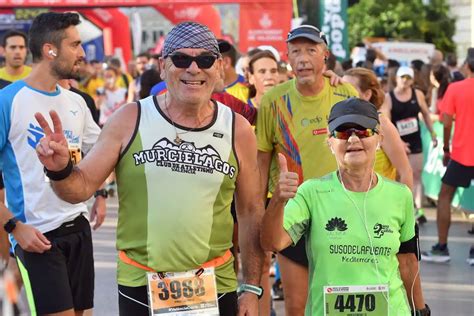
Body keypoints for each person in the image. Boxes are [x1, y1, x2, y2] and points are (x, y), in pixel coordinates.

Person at [34, 21, 265, 315]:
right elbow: (79, 188)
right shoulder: (129, 119)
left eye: (205, 60)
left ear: (218, 66)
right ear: (162, 66)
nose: (193, 69)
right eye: (181, 59)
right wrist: (60, 169)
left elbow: (250, 211)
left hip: (215, 284)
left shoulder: (238, 129)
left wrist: (252, 288)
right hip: (141, 284)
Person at [261, 97, 428, 316]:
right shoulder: (311, 193)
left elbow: (408, 262)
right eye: (342, 132)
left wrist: (421, 310)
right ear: (330, 143)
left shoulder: (400, 195)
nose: (352, 139)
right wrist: (277, 201)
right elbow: (272, 241)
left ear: (379, 139)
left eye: (362, 131)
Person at [0, 12, 104, 315]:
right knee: (10, 276)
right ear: (50, 50)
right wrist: (13, 226)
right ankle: (6, 306)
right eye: (75, 45)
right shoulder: (8, 101)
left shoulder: (76, 102)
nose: (83, 53)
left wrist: (100, 194)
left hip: (78, 229)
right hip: (34, 235)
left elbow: (99, 155)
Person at [256, 24, 359, 316]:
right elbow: (261, 160)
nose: (302, 59)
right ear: (287, 58)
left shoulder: (344, 92)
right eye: (296, 51)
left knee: (340, 301)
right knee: (296, 306)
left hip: (341, 211)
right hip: (294, 213)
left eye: (310, 50)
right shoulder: (274, 101)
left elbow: (363, 148)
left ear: (324, 55)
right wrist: (260, 211)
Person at [421, 52, 474, 265]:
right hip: (463, 153)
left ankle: (442, 247)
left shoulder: (455, 88)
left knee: (444, 197)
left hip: (461, 153)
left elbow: (447, 122)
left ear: (468, 65)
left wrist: (445, 148)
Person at [383, 66, 437, 222]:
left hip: (415, 141)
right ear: (397, 79)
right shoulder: (389, 97)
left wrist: (433, 133)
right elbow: (386, 122)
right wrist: (399, 142)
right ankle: (400, 208)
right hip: (396, 143)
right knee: (399, 175)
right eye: (402, 78)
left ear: (412, 80)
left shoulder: (417, 94)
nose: (405, 81)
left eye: (408, 78)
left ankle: (418, 209)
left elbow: (426, 114)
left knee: (416, 175)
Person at [343, 67, 413, 189]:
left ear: (367, 94)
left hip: (381, 204)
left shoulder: (381, 124)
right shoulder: (340, 125)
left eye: (348, 90)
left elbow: (405, 172)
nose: (342, 94)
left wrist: (404, 207)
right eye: (340, 89)